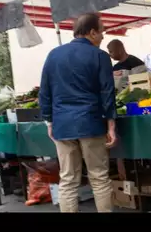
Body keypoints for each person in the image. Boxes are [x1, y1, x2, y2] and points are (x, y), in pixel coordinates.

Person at [39, 13, 117, 213]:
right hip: (90, 123)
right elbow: (107, 93)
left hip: (62, 125)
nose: (103, 36)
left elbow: (45, 92)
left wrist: (49, 121)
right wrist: (111, 125)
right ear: (92, 32)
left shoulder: (53, 54)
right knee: (99, 177)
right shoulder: (100, 56)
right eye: (102, 32)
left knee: (68, 180)